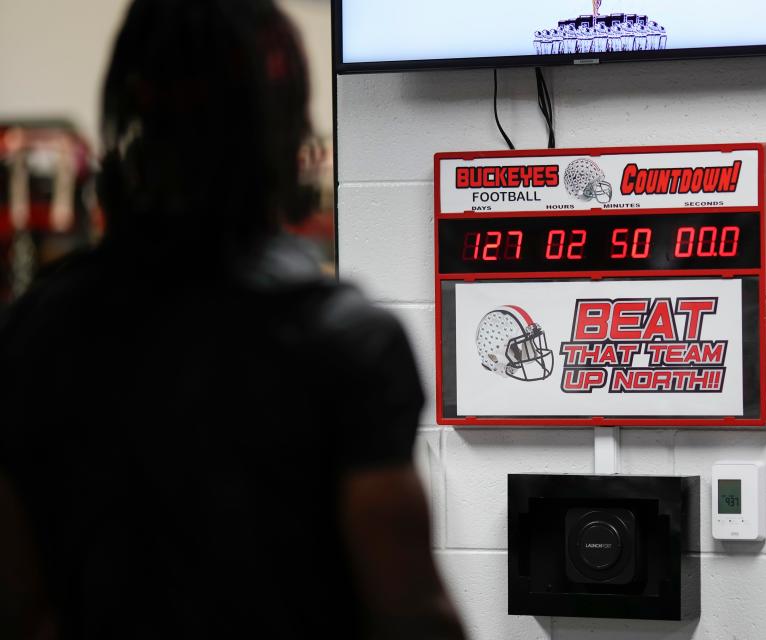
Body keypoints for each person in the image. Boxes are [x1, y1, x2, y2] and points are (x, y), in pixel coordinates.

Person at [0, 1, 465, 639]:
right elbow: (409, 613)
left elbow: (20, 604)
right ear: (283, 128)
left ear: (133, 114)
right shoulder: (345, 339)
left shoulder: (31, 333)